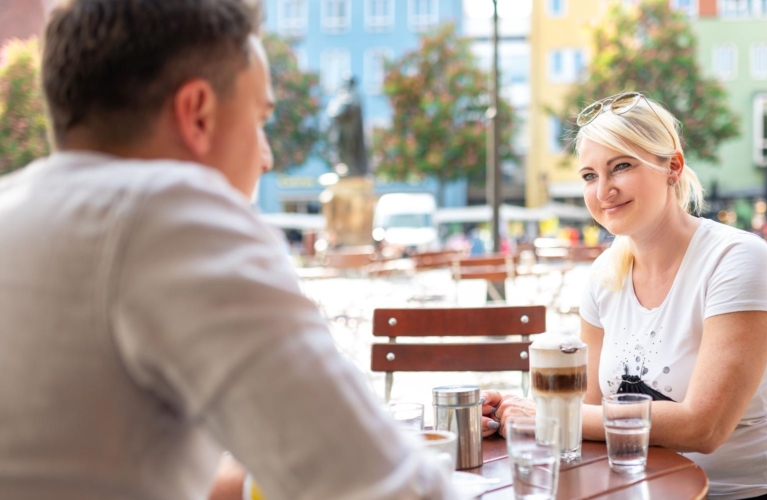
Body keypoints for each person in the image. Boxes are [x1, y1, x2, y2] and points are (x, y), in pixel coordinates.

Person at [0, 1, 453, 499]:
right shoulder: (167, 214)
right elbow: (388, 488)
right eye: (259, 120)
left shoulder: (17, 209)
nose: (266, 157)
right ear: (196, 114)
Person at [481, 92, 767, 499]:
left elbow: (704, 427)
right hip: (638, 489)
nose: (603, 190)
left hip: (751, 493)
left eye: (620, 166)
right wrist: (510, 416)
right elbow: (584, 413)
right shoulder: (604, 274)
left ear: (672, 167)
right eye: (589, 175)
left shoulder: (737, 258)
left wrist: (551, 415)